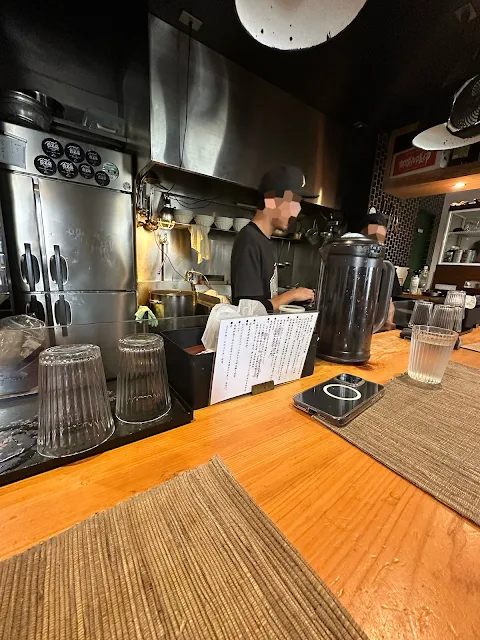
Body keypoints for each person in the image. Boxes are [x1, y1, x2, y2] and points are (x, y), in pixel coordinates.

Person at [231, 165, 316, 311]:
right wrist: (292, 295)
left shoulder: (263, 239)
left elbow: (265, 302)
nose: (298, 210)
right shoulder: (249, 241)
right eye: (293, 202)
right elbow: (249, 311)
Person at [359, 211, 403, 330]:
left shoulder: (386, 267)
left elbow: (388, 302)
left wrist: (387, 321)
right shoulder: (351, 262)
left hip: (375, 326)